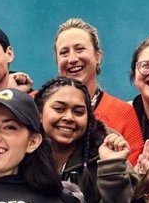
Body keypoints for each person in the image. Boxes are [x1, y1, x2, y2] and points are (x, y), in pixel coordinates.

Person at [35, 76, 134, 203]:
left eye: (79, 112)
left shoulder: (105, 151)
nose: (69, 118)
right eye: (59, 109)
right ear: (40, 113)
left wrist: (111, 168)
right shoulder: (21, 154)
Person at [55, 18, 143, 163]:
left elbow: (134, 178)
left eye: (80, 49)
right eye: (64, 53)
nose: (72, 59)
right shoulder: (39, 106)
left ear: (98, 56)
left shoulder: (123, 113)